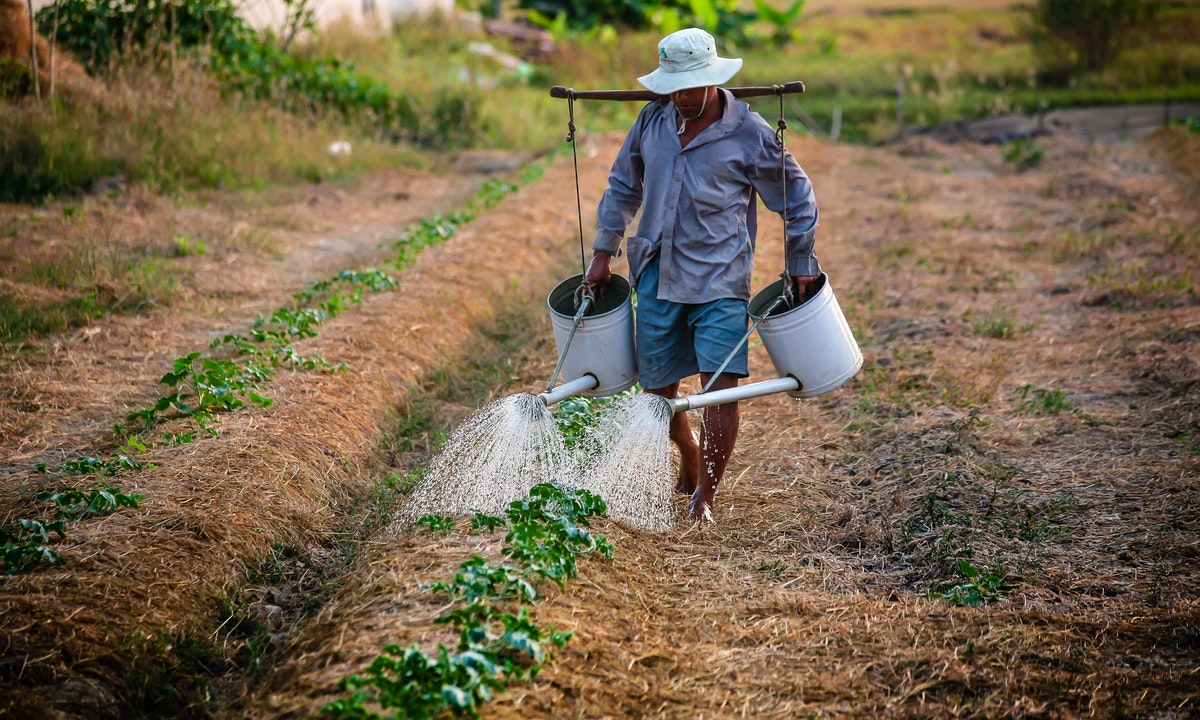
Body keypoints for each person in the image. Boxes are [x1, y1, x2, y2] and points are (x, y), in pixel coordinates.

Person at [585, 27, 821, 523]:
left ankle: (704, 499)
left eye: (690, 87)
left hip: (720, 279)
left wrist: (800, 261)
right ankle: (688, 452)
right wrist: (603, 252)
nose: (681, 97)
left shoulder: (749, 133)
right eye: (673, 87)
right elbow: (622, 187)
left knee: (721, 388)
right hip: (655, 273)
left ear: (713, 80)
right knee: (658, 394)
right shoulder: (652, 121)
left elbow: (797, 198)